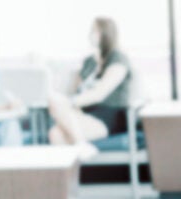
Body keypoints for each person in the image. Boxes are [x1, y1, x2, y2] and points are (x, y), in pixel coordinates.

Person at [47, 17, 133, 145]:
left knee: (58, 131)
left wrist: (70, 103)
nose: (91, 35)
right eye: (91, 31)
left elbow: (100, 93)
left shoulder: (118, 59)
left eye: (95, 31)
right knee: (55, 132)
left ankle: (80, 143)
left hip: (108, 115)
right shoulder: (89, 62)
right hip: (84, 112)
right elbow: (75, 90)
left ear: (106, 33)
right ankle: (81, 145)